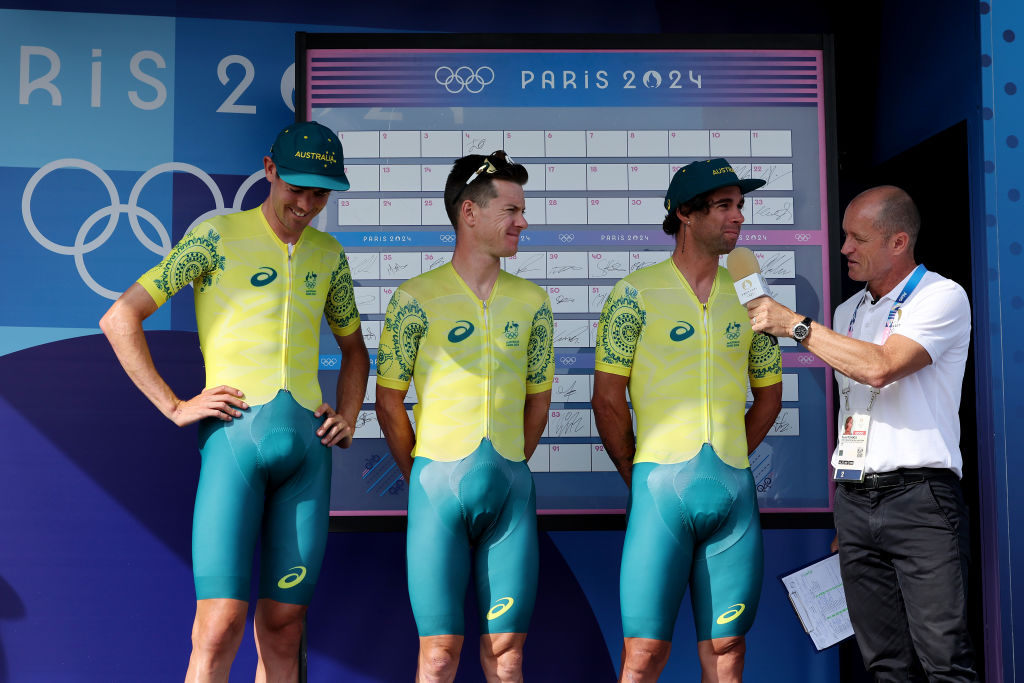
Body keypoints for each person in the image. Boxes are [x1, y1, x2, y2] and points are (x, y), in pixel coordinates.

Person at [99, 121, 370, 683]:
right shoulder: (216, 238)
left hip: (306, 459)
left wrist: (348, 414)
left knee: (286, 625)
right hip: (234, 449)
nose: (306, 203)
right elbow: (120, 316)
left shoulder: (329, 255)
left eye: (320, 192)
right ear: (269, 170)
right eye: (296, 186)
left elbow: (354, 352)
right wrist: (175, 405)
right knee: (218, 623)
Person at [747, 185, 977, 680]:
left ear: (898, 242)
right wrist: (850, 507)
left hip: (921, 499)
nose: (845, 248)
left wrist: (797, 326)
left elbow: (882, 368)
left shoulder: (942, 295)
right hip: (856, 500)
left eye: (858, 238)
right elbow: (852, 409)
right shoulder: (848, 312)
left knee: (945, 659)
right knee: (884, 662)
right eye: (845, 236)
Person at [592, 158, 782, 682]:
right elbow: (607, 399)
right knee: (644, 656)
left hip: (733, 493)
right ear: (685, 215)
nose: (738, 217)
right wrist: (641, 473)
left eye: (740, 206)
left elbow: (769, 397)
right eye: (724, 206)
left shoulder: (751, 298)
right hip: (659, 491)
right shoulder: (633, 294)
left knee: (728, 651)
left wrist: (730, 458)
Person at [375, 151, 553, 683]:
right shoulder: (413, 298)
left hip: (511, 493)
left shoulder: (534, 301)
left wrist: (511, 464)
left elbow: (538, 398)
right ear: (469, 213)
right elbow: (389, 402)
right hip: (436, 489)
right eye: (512, 210)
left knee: (508, 656)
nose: (523, 221)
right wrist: (424, 473)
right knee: (437, 657)